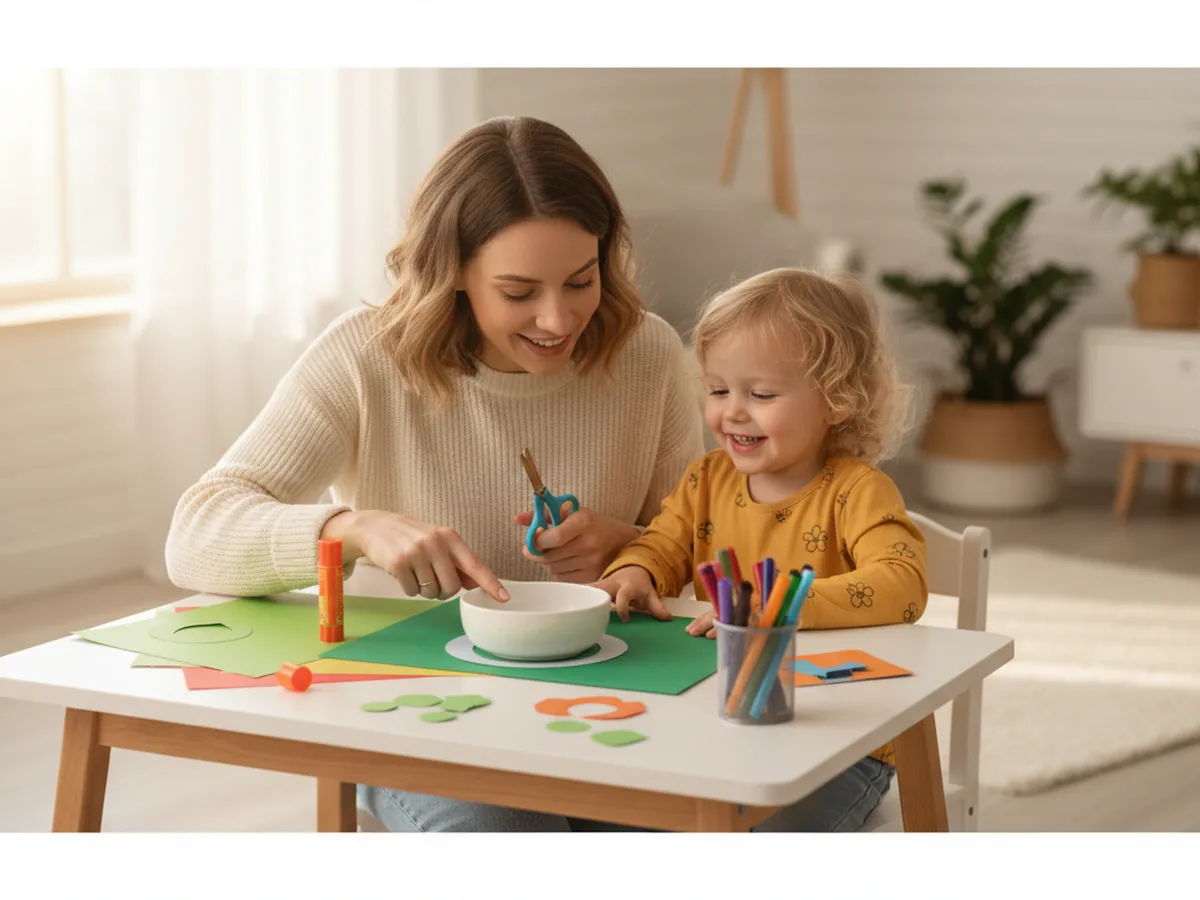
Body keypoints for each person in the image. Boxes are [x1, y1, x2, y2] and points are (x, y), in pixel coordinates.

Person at [163, 115, 706, 831]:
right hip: (421, 707)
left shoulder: (648, 354)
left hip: (612, 693)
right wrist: (350, 527)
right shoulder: (366, 357)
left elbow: (711, 553)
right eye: (519, 292)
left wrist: (635, 545)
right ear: (452, 272)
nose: (558, 317)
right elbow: (195, 535)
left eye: (582, 280)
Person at [594, 266, 929, 832]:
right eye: (719, 390)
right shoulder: (705, 480)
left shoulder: (858, 492)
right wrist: (633, 570)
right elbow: (662, 545)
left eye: (762, 394)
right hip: (715, 718)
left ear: (837, 399)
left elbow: (904, 584)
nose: (733, 411)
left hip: (845, 744)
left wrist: (785, 606)